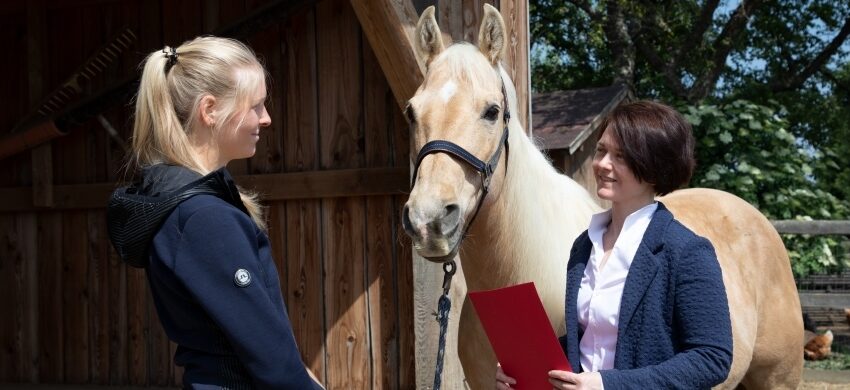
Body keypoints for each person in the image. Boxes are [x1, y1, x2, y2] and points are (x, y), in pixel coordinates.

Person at [106, 36, 323, 389]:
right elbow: (271, 361)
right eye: (255, 106)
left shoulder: (194, 204)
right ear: (209, 110)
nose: (266, 118)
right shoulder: (203, 218)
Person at [496, 101, 733, 389]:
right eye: (601, 150)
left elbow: (712, 358)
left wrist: (608, 385)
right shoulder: (583, 246)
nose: (602, 164)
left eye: (621, 156)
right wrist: (522, 364)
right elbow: (589, 340)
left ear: (655, 168)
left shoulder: (687, 251)